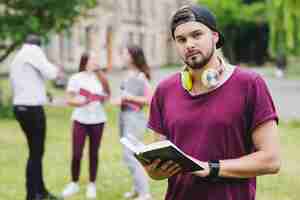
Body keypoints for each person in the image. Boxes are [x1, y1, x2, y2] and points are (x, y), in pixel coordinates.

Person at [144, 4, 281, 200]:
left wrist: (210, 168)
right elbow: (158, 163)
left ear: (215, 37)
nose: (189, 44)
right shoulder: (165, 90)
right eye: (181, 39)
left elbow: (271, 160)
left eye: (196, 35)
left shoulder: (250, 84)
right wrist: (155, 171)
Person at [9, 35, 62, 200]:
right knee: (36, 152)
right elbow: (51, 73)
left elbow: (26, 83)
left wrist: (42, 93)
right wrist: (57, 68)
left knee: (35, 151)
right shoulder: (33, 51)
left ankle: (40, 190)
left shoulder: (18, 57)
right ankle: (33, 194)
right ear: (38, 45)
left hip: (20, 107)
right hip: (32, 109)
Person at [61, 52, 110, 199]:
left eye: (96, 59)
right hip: (80, 120)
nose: (95, 62)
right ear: (85, 62)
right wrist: (82, 102)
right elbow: (69, 99)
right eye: (92, 60)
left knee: (93, 153)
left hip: (98, 120)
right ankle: (74, 183)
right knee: (77, 153)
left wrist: (101, 98)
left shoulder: (101, 78)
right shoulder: (76, 78)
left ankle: (91, 184)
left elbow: (107, 96)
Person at [113, 45, 152, 200]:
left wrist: (128, 98)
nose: (122, 55)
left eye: (125, 53)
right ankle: (137, 190)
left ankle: (145, 193)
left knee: (131, 155)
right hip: (124, 116)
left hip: (134, 118)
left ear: (132, 56)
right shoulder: (129, 74)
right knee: (129, 154)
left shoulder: (141, 76)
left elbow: (149, 99)